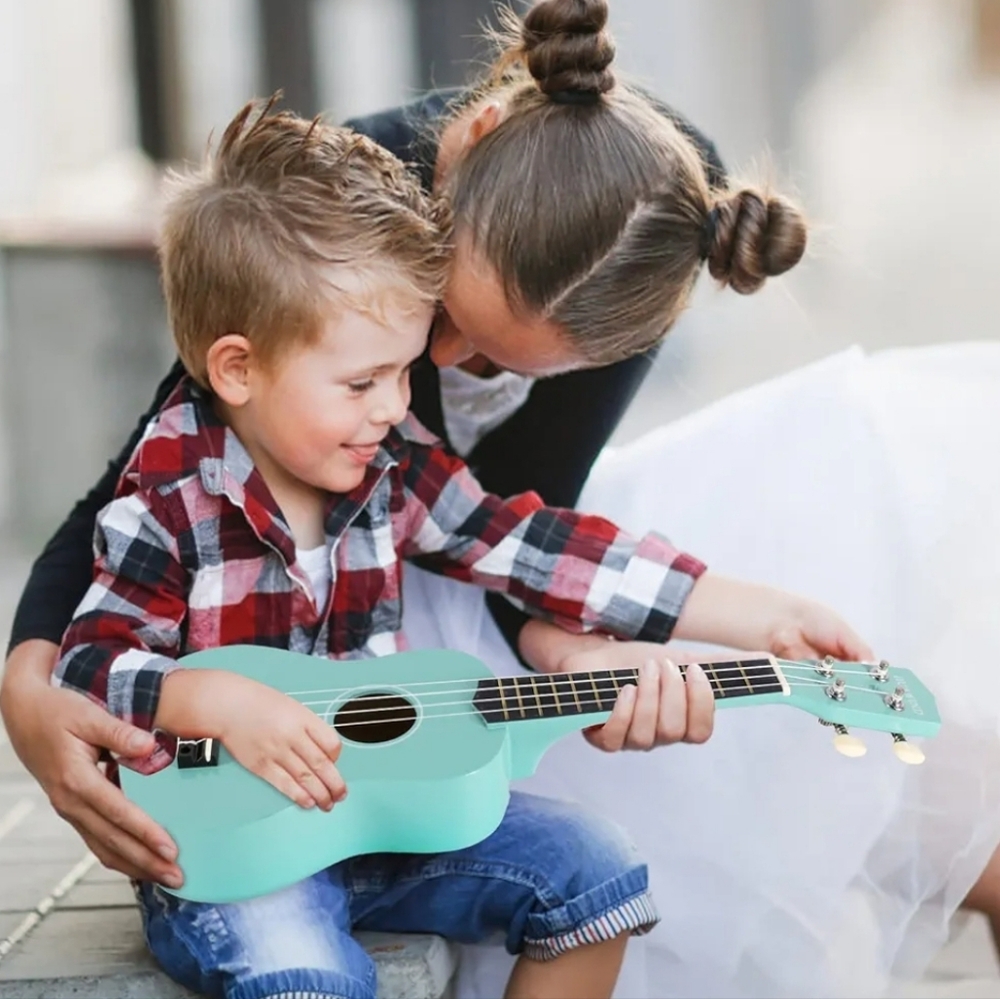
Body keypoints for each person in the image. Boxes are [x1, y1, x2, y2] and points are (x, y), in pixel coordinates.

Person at [7, 0, 989, 995]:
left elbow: (529, 538)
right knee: (303, 974)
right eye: (393, 363)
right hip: (243, 803)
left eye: (457, 366)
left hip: (413, 703)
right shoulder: (321, 248)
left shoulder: (614, 256)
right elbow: (105, 608)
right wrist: (92, 686)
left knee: (612, 872)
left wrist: (760, 616)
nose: (419, 389)